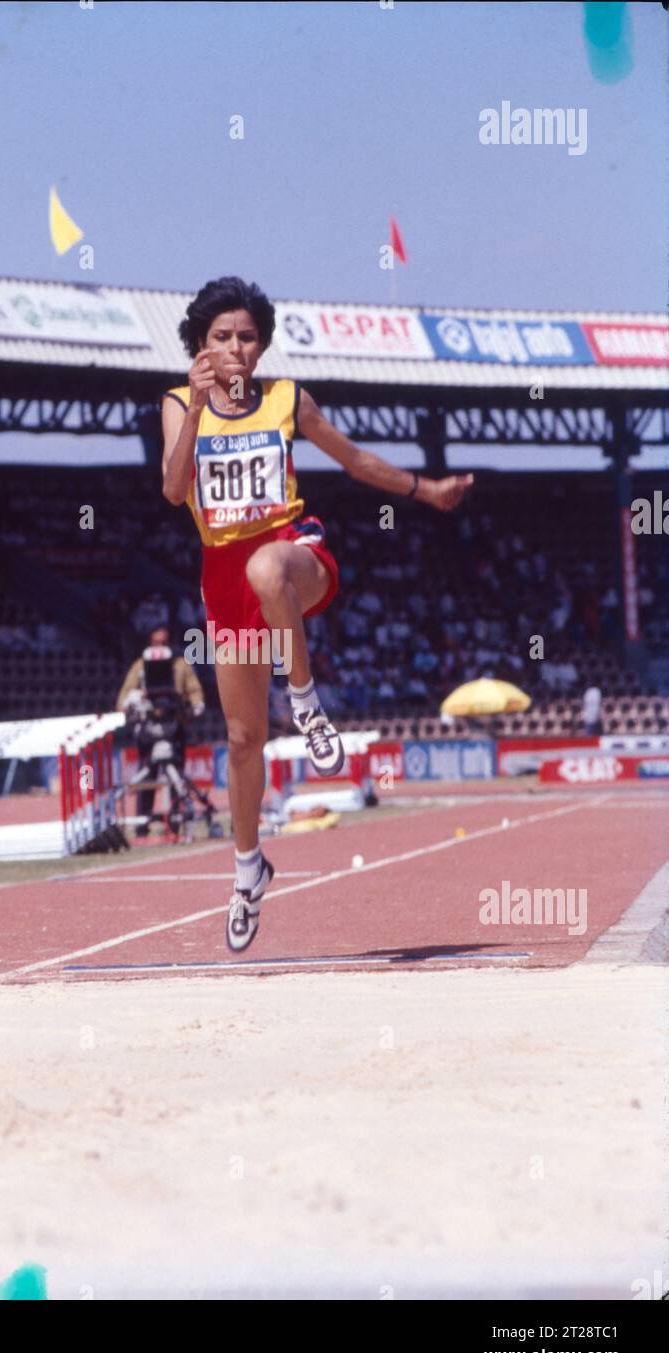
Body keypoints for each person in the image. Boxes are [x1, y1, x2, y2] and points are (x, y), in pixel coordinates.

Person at [160, 275, 473, 951]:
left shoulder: (287, 400)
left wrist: (424, 489)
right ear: (199, 344)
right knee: (242, 741)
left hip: (291, 552)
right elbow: (172, 487)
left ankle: (305, 701)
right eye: (221, 337)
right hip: (223, 581)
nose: (235, 347)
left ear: (262, 345)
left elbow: (354, 459)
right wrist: (191, 413)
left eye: (246, 336)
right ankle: (248, 871)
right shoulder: (178, 403)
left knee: (266, 567)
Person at [116, 624, 205, 835]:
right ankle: (142, 823)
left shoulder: (181, 665)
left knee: (177, 778)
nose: (160, 646)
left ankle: (176, 820)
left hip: (174, 726)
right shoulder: (139, 666)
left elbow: (195, 692)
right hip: (149, 728)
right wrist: (134, 701)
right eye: (156, 643)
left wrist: (195, 705)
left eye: (164, 643)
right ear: (149, 644)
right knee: (147, 777)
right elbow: (123, 697)